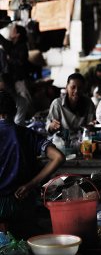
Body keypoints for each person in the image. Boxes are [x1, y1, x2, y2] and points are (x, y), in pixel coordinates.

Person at [0, 90, 65, 239]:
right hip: (20, 203)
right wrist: (31, 184)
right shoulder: (26, 134)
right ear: (15, 111)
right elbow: (59, 157)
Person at [0, 24, 33, 113]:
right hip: (12, 79)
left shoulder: (22, 46)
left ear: (17, 34)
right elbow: (2, 41)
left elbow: (21, 62)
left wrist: (9, 59)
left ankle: (30, 117)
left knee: (25, 99)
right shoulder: (11, 45)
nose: (11, 31)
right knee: (16, 101)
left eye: (13, 30)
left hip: (20, 79)